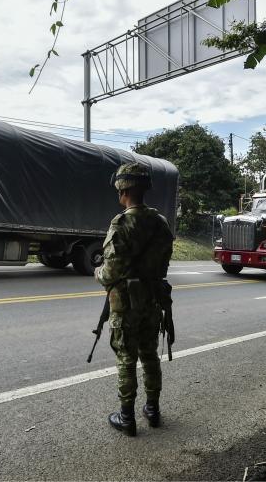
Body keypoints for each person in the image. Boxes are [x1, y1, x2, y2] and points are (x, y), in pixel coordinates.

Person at [94, 162, 174, 436]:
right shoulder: (160, 222)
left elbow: (110, 272)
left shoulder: (121, 224)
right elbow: (163, 263)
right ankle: (153, 410)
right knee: (150, 355)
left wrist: (97, 272)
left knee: (127, 357)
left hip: (126, 303)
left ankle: (126, 417)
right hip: (151, 301)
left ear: (122, 190)